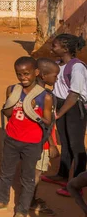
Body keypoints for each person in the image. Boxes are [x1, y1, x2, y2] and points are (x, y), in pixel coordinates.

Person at [0, 57, 54, 217]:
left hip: (32, 143)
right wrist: (13, 103)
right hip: (12, 138)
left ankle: (22, 210)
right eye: (19, 74)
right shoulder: (12, 89)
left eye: (27, 74)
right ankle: (2, 201)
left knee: (28, 178)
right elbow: (8, 114)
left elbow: (47, 123)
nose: (23, 78)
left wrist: (31, 111)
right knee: (5, 172)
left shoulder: (45, 97)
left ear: (36, 73)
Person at [42, 33, 87, 197]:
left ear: (65, 48)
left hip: (75, 107)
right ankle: (62, 175)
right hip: (61, 105)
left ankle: (77, 184)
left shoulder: (77, 67)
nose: (52, 48)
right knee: (65, 143)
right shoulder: (57, 65)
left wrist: (59, 114)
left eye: (54, 46)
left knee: (77, 146)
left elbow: (74, 94)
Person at [31, 58, 60, 215]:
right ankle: (30, 201)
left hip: (31, 141)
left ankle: (29, 199)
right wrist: (52, 144)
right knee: (36, 173)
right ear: (43, 75)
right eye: (55, 76)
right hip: (42, 142)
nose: (56, 79)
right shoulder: (44, 96)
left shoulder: (30, 92)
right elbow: (43, 123)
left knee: (32, 172)